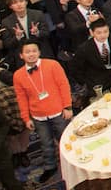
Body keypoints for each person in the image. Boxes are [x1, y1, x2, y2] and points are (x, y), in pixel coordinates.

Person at [11, 40, 74, 181]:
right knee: (46, 143)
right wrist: (26, 118)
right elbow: (21, 98)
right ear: (21, 55)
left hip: (58, 111)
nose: (31, 54)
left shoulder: (52, 65)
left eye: (34, 51)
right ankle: (50, 167)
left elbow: (64, 85)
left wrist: (67, 106)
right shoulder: (18, 75)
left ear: (39, 52)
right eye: (27, 52)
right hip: (38, 115)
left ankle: (73, 165)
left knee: (66, 140)